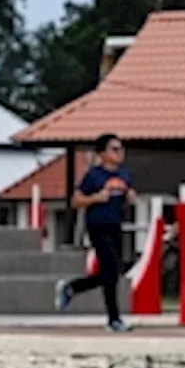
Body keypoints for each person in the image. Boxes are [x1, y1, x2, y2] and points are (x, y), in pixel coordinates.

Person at [55, 133, 136, 331]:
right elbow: (76, 200)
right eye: (114, 149)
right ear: (103, 153)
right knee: (109, 272)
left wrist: (131, 197)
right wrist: (95, 198)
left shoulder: (124, 174)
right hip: (98, 225)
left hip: (116, 225)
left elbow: (127, 196)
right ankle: (113, 319)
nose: (120, 153)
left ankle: (72, 287)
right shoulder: (94, 175)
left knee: (112, 273)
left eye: (121, 149)